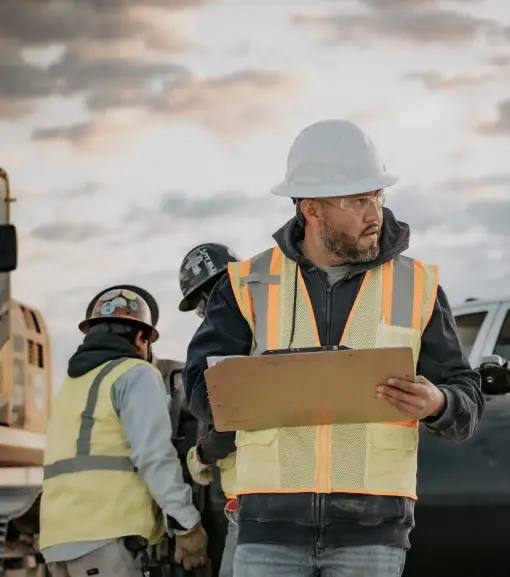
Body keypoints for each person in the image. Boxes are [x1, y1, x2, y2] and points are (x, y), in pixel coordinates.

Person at [182, 119, 485, 577]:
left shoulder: (417, 285)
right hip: (268, 527)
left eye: (376, 196)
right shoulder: (245, 284)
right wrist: (255, 386)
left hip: (373, 529)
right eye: (356, 200)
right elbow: (200, 391)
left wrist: (439, 402)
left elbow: (466, 397)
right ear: (312, 209)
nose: (374, 214)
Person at [39, 286, 208, 576]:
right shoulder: (135, 373)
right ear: (141, 338)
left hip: (58, 544)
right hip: (108, 540)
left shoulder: (71, 387)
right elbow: (154, 456)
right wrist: (186, 523)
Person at [177, 242, 241, 577]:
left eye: (201, 308)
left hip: (254, 509)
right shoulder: (273, 318)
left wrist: (201, 454)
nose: (204, 315)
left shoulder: (233, 336)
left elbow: (235, 422)